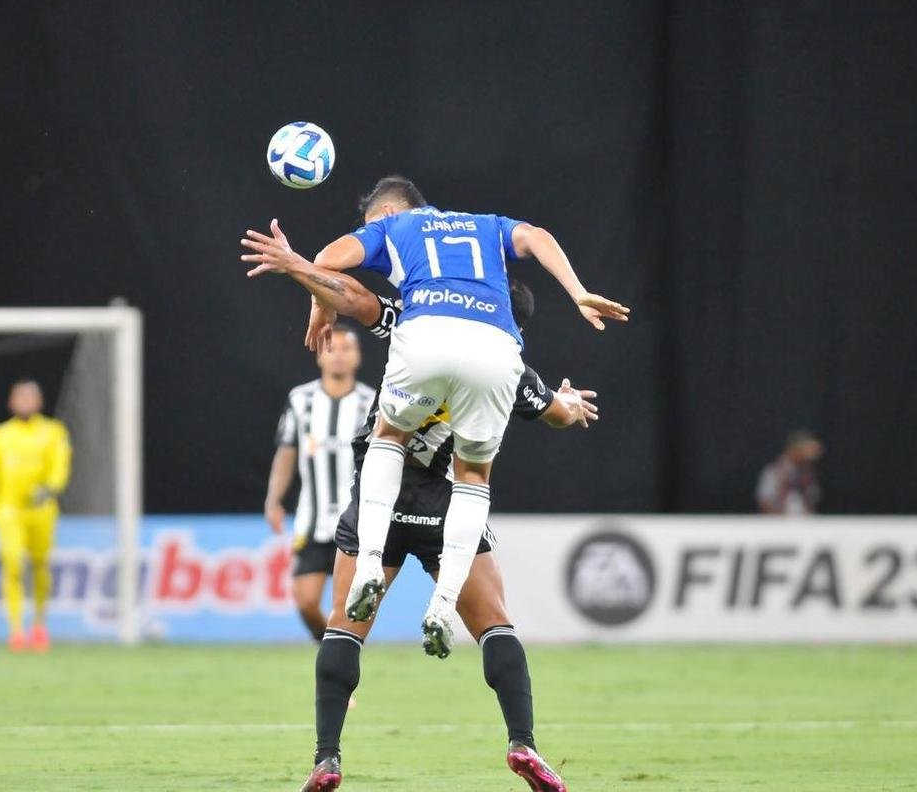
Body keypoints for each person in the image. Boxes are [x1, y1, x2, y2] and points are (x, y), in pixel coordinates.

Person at [241, 228, 592, 792]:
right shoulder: (508, 368)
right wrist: (571, 406)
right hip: (448, 511)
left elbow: (354, 297)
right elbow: (552, 410)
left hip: (378, 502)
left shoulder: (418, 321)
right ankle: (522, 742)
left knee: (344, 629)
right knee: (496, 624)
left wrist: (298, 267)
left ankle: (327, 758)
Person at [245, 175, 628, 664]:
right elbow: (554, 405)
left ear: (385, 214)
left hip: (397, 451)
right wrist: (577, 294)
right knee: (475, 477)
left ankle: (367, 567)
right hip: (460, 458)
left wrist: (315, 297)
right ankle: (443, 606)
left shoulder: (403, 267)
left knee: (387, 434)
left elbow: (347, 284)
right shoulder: (492, 252)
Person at [266, 324, 376, 640]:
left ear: (357, 357)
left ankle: (340, 670)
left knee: (348, 609)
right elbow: (287, 452)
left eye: (346, 349)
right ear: (319, 356)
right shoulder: (301, 400)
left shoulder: (371, 403)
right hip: (311, 523)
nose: (338, 356)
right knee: (305, 601)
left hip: (356, 521)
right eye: (331, 349)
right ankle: (331, 652)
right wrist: (274, 500)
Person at [0, 379, 72, 652]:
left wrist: (50, 489)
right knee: (13, 564)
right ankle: (16, 630)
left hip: (41, 510)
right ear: (11, 402)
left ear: (39, 402)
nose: (24, 402)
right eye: (20, 397)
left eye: (30, 397)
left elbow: (60, 466)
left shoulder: (53, 432)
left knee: (40, 565)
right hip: (8, 509)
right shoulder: (0, 435)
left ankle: (39, 625)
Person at [756, 429, 824, 516]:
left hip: (804, 524)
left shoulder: (808, 473)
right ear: (794, 449)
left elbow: (812, 499)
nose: (809, 457)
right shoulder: (774, 471)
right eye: (805, 450)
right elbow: (764, 501)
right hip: (779, 524)